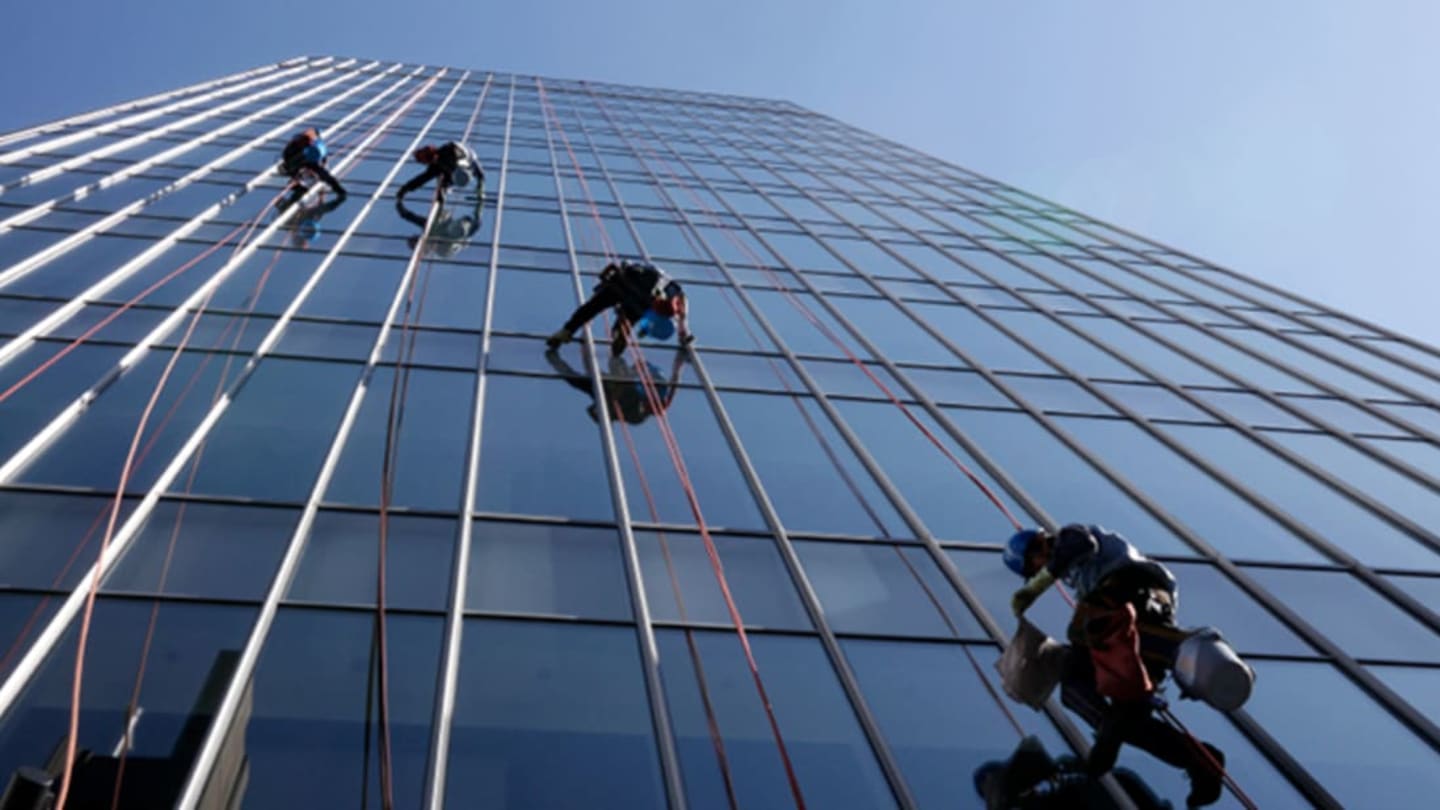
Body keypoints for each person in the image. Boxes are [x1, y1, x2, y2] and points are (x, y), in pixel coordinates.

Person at [1006, 524, 1225, 809]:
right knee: (1110, 712)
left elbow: (1082, 546)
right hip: (1131, 617)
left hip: (1132, 587)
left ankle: (1170, 647)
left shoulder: (1069, 536)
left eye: (1034, 566)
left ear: (1035, 545)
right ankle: (1200, 759)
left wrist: (1035, 588)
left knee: (1085, 632)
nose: (1039, 570)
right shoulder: (1078, 577)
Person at [546, 259, 692, 356]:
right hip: (627, 289)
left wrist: (683, 332)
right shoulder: (664, 288)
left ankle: (568, 331)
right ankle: (617, 335)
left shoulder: (670, 294)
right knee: (602, 308)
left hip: (628, 292)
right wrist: (684, 333)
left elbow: (619, 267)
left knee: (595, 308)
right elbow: (619, 269)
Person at [545, 344, 686, 424]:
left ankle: (554, 357)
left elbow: (582, 371)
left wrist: (584, 346)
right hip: (626, 382)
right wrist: (679, 362)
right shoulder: (634, 415)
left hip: (624, 381)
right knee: (612, 364)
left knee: (608, 366)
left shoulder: (599, 394)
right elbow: (673, 384)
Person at [396, 186, 484, 259]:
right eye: (416, 240)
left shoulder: (430, 228)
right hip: (459, 234)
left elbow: (409, 216)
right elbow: (410, 217)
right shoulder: (443, 251)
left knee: (453, 227)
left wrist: (399, 205)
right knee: (460, 228)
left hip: (455, 230)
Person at [395, 141, 484, 205]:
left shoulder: (449, 150)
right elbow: (421, 179)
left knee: (476, 174)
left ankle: (445, 188)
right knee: (441, 176)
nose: (434, 161)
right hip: (456, 169)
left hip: (466, 160)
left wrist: (480, 187)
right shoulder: (435, 166)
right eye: (430, 161)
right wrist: (405, 189)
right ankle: (443, 191)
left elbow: (477, 169)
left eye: (432, 158)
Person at [278, 127, 345, 210]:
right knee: (322, 174)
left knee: (323, 174)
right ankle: (338, 189)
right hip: (303, 159)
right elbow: (289, 160)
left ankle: (338, 189)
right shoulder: (298, 146)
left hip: (307, 159)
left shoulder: (312, 143)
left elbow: (323, 159)